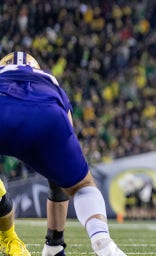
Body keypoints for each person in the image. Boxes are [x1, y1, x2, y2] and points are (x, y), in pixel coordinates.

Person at [0, 51, 127, 256]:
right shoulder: (49, 80)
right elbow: (59, 177)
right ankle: (101, 240)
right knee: (82, 186)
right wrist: (54, 241)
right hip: (47, 114)